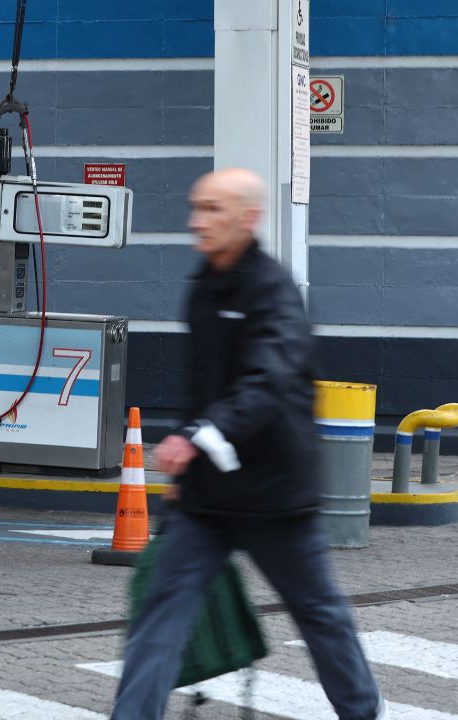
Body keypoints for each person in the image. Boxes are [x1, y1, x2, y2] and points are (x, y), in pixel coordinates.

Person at [111, 168, 386, 720]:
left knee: (319, 613)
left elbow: (269, 380)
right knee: (161, 613)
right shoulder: (203, 287)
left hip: (275, 496)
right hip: (207, 500)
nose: (198, 221)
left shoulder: (272, 291)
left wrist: (198, 437)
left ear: (249, 217)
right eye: (197, 207)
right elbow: (203, 389)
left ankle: (362, 713)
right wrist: (184, 474)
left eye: (213, 209)